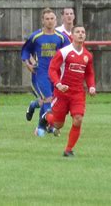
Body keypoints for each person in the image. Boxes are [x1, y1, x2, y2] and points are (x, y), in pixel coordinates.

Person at [40, 24, 96, 157]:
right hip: (62, 93)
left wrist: (91, 86)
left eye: (83, 32)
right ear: (72, 35)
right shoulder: (64, 52)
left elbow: (89, 73)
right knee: (58, 125)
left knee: (78, 119)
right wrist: (58, 84)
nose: (81, 34)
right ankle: (46, 117)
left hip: (77, 94)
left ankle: (68, 150)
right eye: (78, 32)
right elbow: (52, 69)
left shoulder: (87, 55)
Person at [21, 8, 71, 136]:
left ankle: (33, 105)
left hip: (56, 75)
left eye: (52, 18)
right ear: (42, 21)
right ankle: (41, 128)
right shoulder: (36, 37)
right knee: (48, 99)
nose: (50, 21)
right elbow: (26, 51)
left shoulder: (61, 38)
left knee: (50, 101)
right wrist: (28, 64)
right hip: (40, 74)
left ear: (56, 20)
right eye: (47, 19)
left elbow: (69, 54)